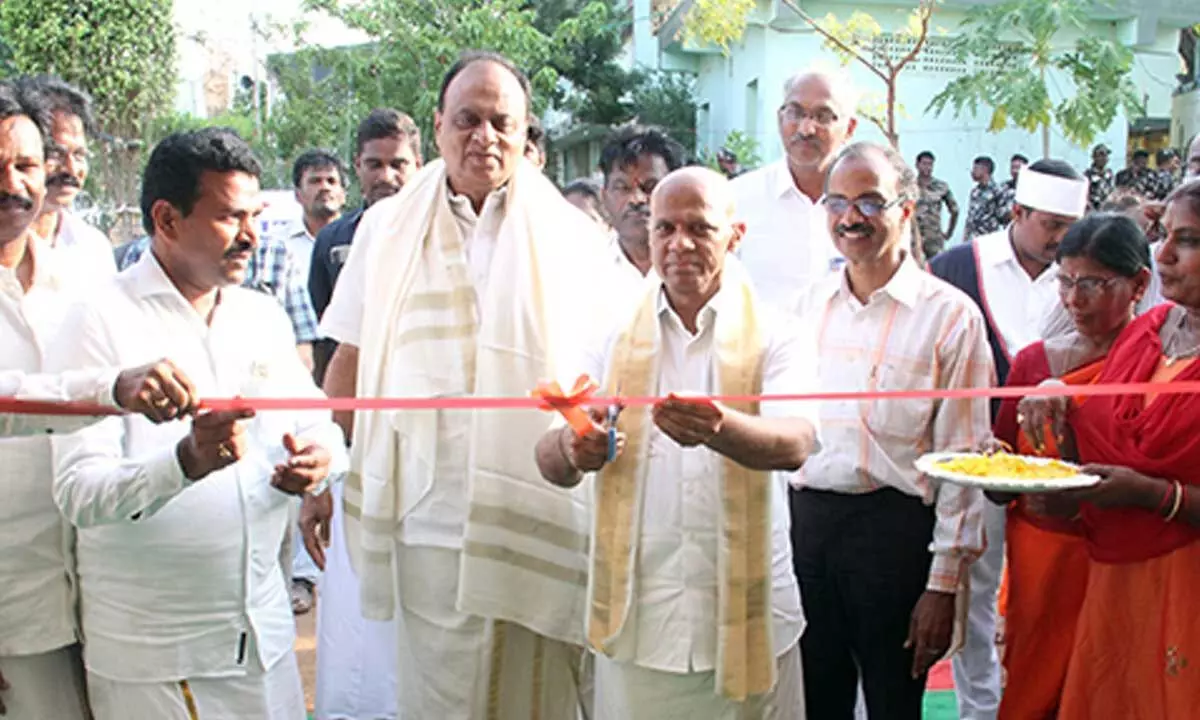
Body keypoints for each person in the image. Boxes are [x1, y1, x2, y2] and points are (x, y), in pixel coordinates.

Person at [313, 50, 612, 719]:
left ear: (526, 131)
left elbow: (608, 368)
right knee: (441, 697)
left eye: (502, 121)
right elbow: (350, 361)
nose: (485, 137)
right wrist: (327, 470)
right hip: (428, 514)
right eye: (468, 119)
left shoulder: (574, 237)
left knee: (540, 692)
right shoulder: (385, 230)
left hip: (539, 506)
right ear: (439, 124)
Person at [48, 127, 347, 720]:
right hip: (158, 657)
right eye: (229, 217)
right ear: (167, 218)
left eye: (255, 215)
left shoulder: (259, 316)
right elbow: (77, 493)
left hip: (264, 643)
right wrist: (184, 463)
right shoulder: (97, 320)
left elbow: (322, 426)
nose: (251, 237)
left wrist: (319, 462)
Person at [535, 166, 817, 719]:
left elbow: (796, 442)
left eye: (699, 228)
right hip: (642, 625)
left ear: (735, 236)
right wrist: (576, 449)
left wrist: (721, 429)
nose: (679, 244)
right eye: (665, 229)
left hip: (754, 618)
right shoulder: (609, 332)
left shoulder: (779, 333)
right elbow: (549, 455)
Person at [0, 76, 200, 720]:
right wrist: (112, 390)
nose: (14, 185)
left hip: (101, 582)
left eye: (27, 164)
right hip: (12, 595)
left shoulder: (87, 259)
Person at [791, 141, 991, 719]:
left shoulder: (950, 316)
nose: (852, 218)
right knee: (815, 700)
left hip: (895, 535)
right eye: (839, 202)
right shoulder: (807, 307)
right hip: (810, 528)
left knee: (893, 704)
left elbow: (963, 461)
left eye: (871, 202)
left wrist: (942, 585)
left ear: (906, 209)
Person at [1015, 179, 1200, 718]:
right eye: (1164, 235)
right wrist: (1054, 408)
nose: (1164, 254)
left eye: (1187, 241)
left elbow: (1139, 476)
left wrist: (1152, 496)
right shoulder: (1149, 331)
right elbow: (1097, 444)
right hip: (1116, 580)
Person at [929, 159, 1089, 720]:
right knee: (968, 592)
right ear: (1018, 213)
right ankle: (978, 710)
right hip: (968, 461)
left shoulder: (1079, 275)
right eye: (1051, 224)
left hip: (1055, 471)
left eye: (1072, 225)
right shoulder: (954, 267)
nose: (1063, 238)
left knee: (1035, 600)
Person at [990, 213, 1152, 720]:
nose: (1074, 300)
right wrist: (994, 465)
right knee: (1034, 691)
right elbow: (1000, 472)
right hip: (1040, 557)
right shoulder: (1034, 363)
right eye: (1064, 281)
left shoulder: (1158, 364)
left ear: (1139, 284)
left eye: (1093, 284)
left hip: (1120, 559)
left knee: (1111, 684)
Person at [308, 108, 423, 384]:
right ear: (358, 165)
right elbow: (323, 336)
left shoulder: (440, 234)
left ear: (418, 165)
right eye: (375, 165)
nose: (386, 176)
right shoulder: (332, 239)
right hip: (354, 389)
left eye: (398, 164)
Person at [732, 69, 857, 308]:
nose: (806, 129)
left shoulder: (870, 212)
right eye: (795, 113)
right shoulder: (737, 199)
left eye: (823, 116)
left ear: (849, 128)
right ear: (780, 118)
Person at [24, 75, 117, 280]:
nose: (71, 169)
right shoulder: (8, 245)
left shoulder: (91, 247)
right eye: (56, 153)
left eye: (79, 155)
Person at [598, 124, 686, 293]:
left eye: (650, 187)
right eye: (623, 188)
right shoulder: (585, 269)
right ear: (604, 197)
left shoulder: (700, 267)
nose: (637, 199)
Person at [275, 149, 346, 285]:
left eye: (331, 181)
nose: (325, 187)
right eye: (315, 181)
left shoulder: (359, 239)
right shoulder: (279, 245)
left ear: (343, 195)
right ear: (298, 194)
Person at [914, 150, 959, 259]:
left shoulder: (941, 186)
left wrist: (949, 232)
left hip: (934, 238)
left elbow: (954, 210)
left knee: (937, 268)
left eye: (930, 164)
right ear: (917, 165)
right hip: (914, 237)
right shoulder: (910, 186)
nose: (927, 167)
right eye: (924, 164)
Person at [963, 155, 1010, 241]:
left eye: (975, 169)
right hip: (973, 239)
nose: (972, 172)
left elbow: (1004, 216)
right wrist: (965, 237)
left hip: (989, 239)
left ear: (985, 170)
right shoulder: (975, 192)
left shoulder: (998, 191)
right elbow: (970, 218)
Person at [1084, 144, 1114, 211]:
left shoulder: (1110, 173)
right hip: (1092, 211)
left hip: (1108, 211)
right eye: (1101, 155)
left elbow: (1112, 191)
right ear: (1094, 157)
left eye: (1106, 155)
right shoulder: (1088, 175)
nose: (1104, 158)